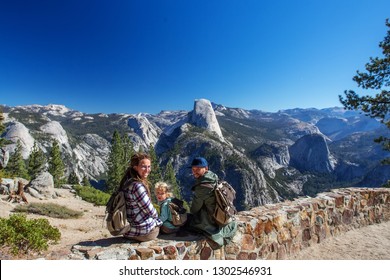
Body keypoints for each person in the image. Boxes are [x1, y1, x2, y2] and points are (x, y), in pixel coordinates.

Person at [187, 157, 237, 249]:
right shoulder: (213, 178)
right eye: (193, 169)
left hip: (212, 219)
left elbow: (195, 208)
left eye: (198, 169)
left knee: (190, 221)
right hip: (221, 213)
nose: (194, 172)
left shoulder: (202, 187)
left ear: (206, 168)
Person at [119, 152, 162, 242]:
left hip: (129, 229)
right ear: (135, 167)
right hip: (144, 231)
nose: (147, 170)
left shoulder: (128, 181)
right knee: (165, 226)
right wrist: (158, 218)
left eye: (149, 166)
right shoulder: (137, 186)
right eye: (143, 166)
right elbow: (150, 211)